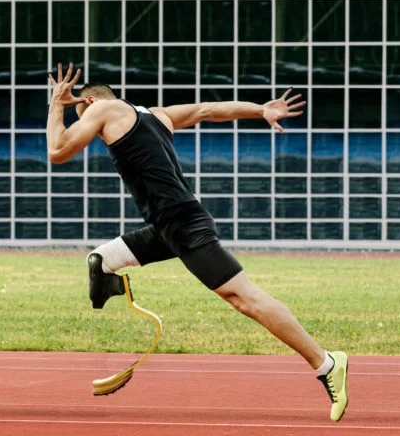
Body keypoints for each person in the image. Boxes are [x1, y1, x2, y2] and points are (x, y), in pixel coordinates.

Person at [46, 63, 349, 422]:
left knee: (245, 299)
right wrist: (260, 109)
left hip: (184, 226)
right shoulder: (155, 115)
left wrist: (56, 106)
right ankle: (109, 285)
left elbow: (58, 151)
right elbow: (208, 110)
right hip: (167, 228)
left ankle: (326, 362)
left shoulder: (102, 108)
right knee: (101, 259)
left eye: (85, 121)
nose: (92, 132)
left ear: (92, 101)